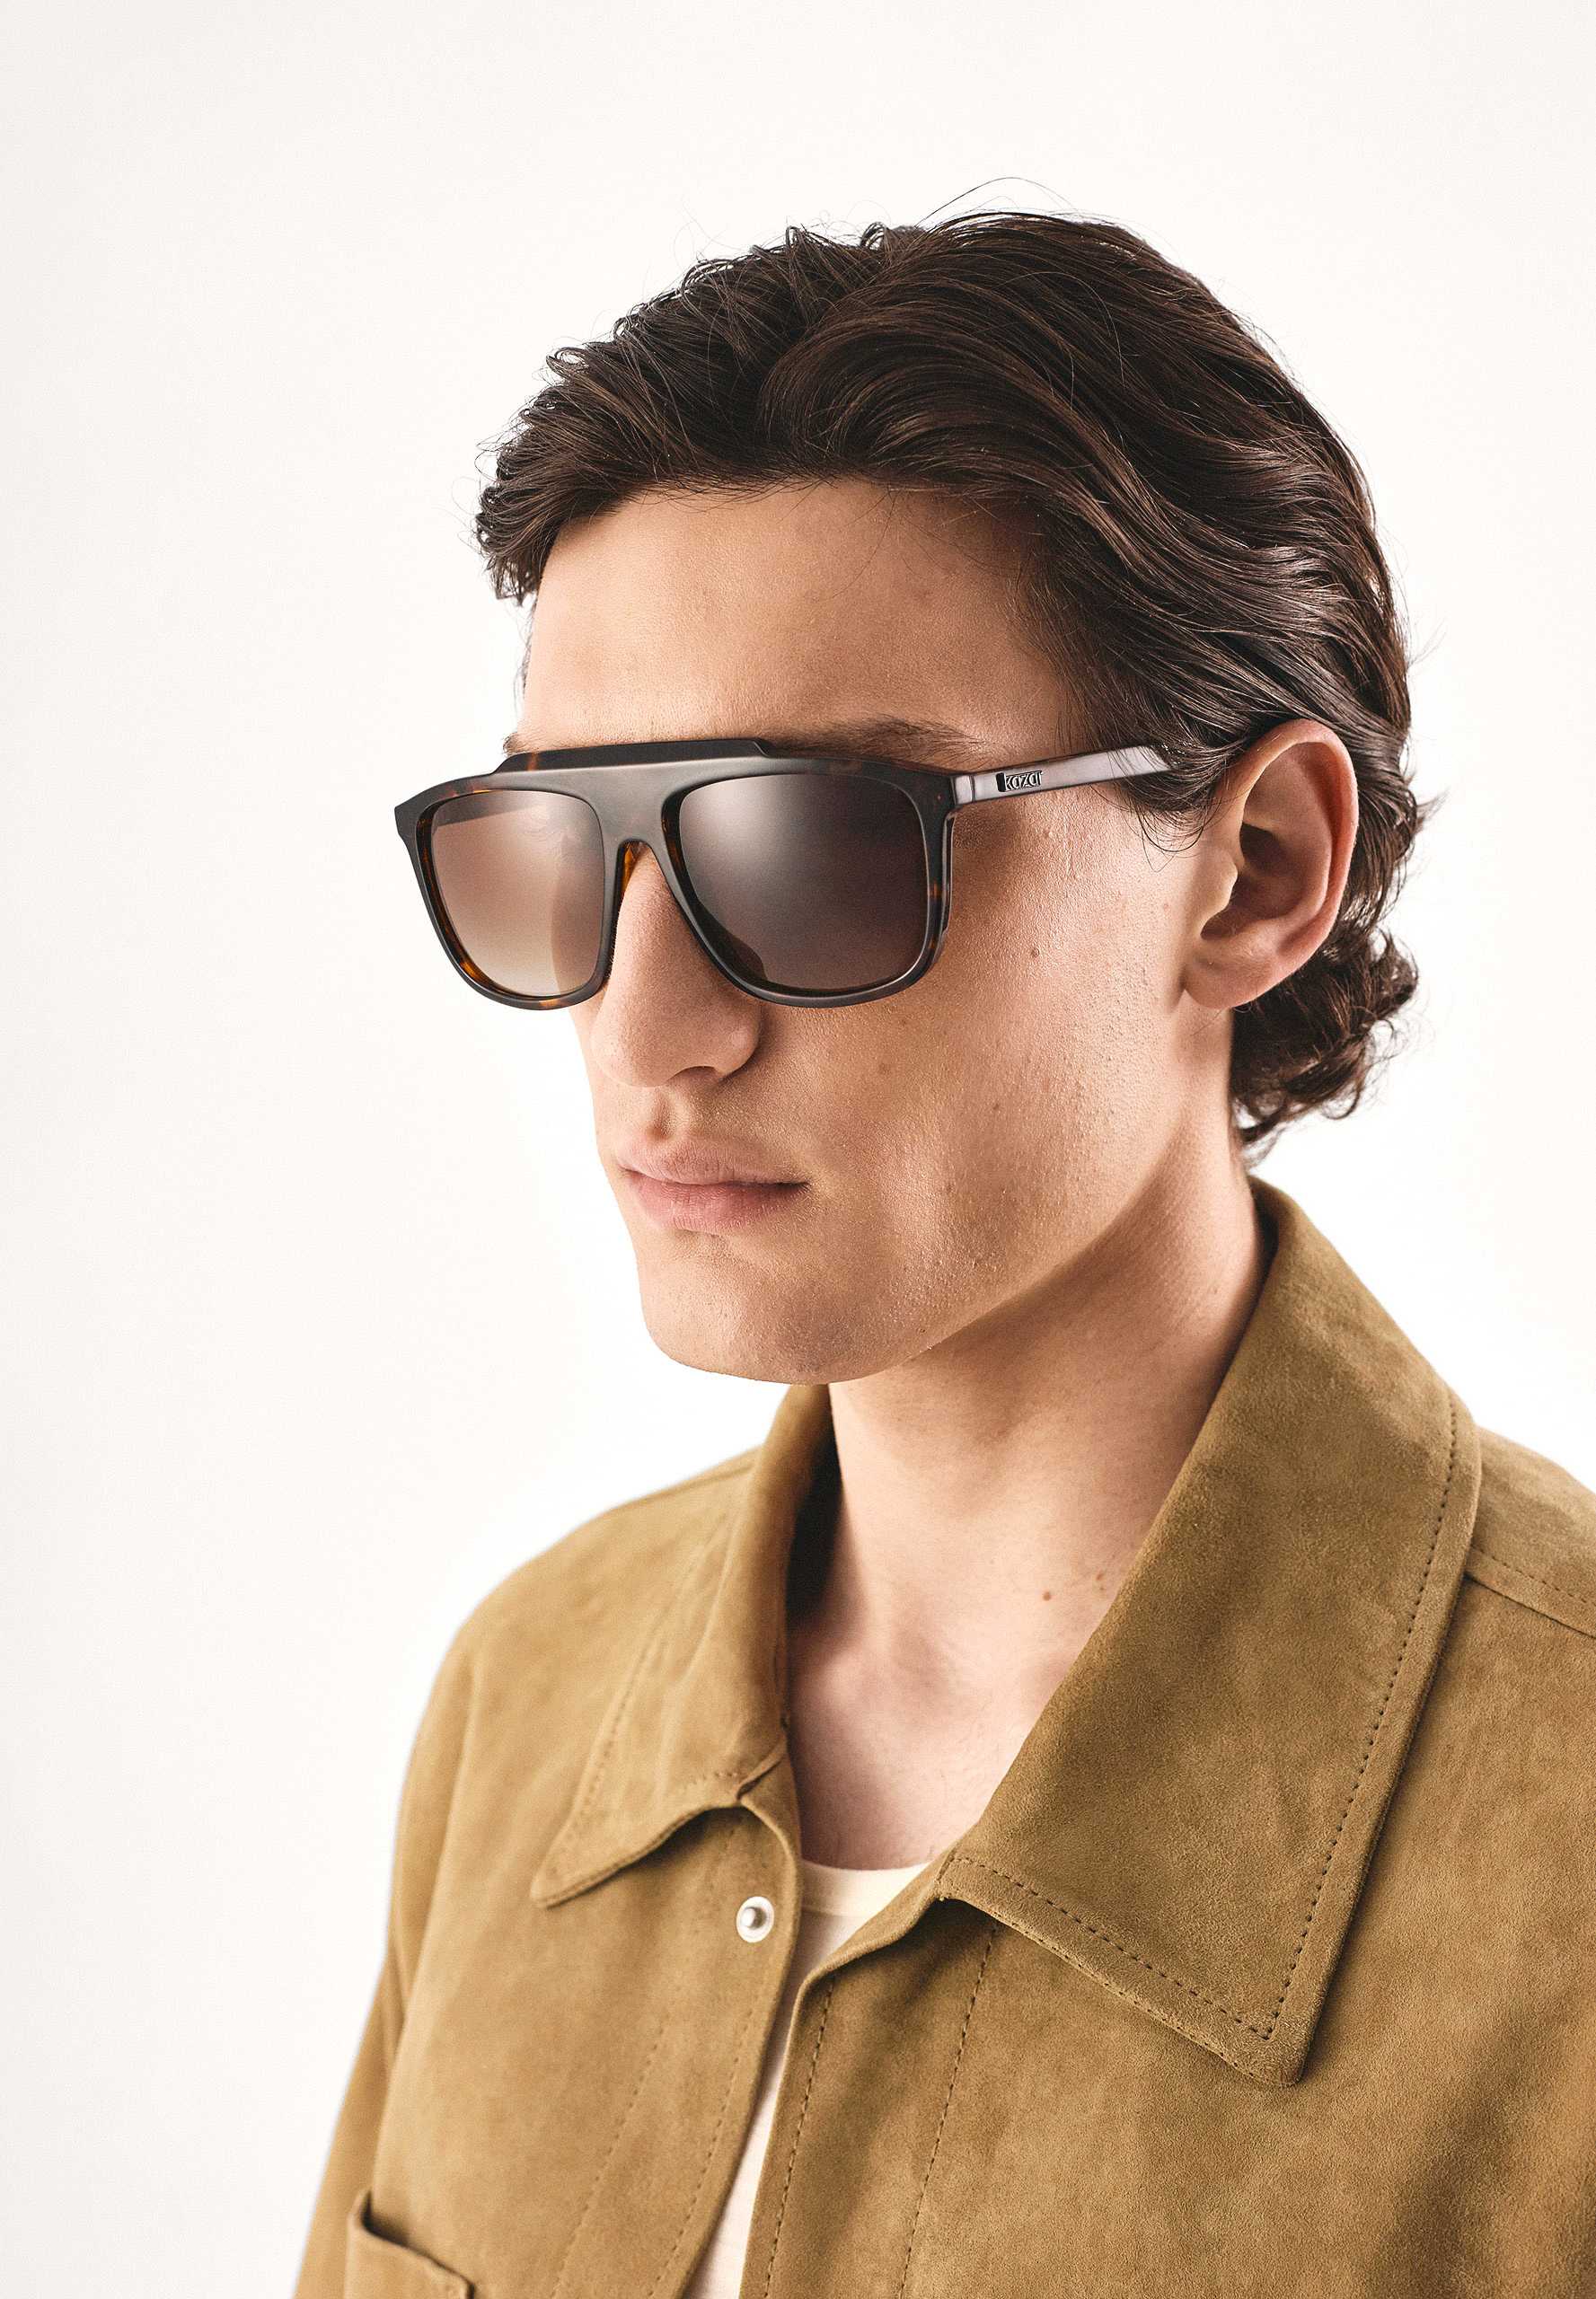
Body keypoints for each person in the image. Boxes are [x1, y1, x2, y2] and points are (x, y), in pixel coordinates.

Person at [294, 211, 1595, 2298]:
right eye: (566, 845)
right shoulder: (530, 1699)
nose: (645, 1025)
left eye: (812, 843)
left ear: (1254, 870)